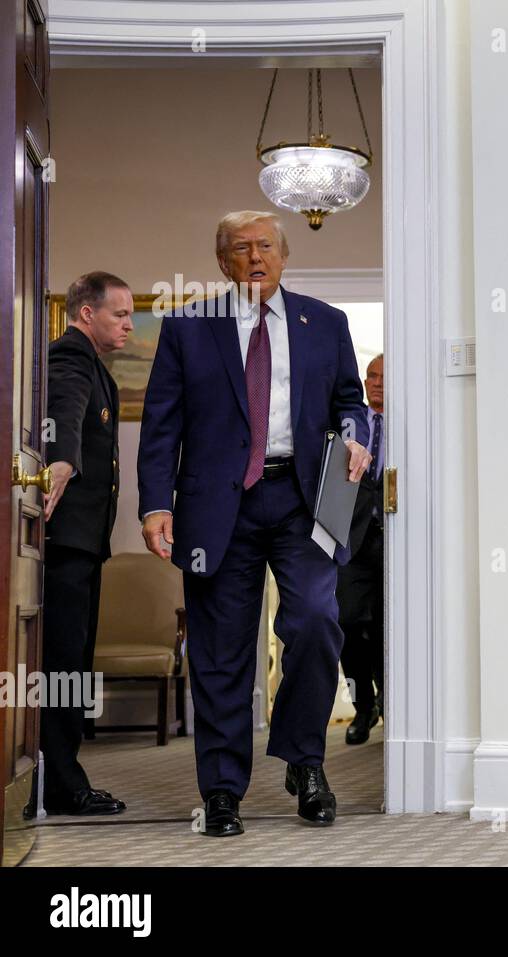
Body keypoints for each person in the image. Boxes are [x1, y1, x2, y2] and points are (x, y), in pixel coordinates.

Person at [138, 210, 371, 837]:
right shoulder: (188, 327)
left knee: (318, 623)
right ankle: (220, 791)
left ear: (285, 255)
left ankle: (305, 762)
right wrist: (154, 504)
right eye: (240, 248)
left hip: (303, 499)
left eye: (266, 245)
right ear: (221, 262)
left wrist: (356, 436)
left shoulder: (326, 322)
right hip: (218, 506)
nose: (255, 256)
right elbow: (162, 425)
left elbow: (352, 399)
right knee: (220, 652)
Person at [35, 271, 133, 816]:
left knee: (69, 663)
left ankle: (59, 776)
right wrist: (62, 461)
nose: (127, 324)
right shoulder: (71, 356)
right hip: (66, 544)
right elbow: (62, 412)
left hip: (81, 543)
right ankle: (63, 784)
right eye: (119, 314)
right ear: (86, 313)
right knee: (63, 665)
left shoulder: (94, 364)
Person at [338, 354, 384, 745]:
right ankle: (363, 703)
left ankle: (390, 700)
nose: (377, 382)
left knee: (390, 625)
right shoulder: (350, 425)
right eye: (371, 376)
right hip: (350, 538)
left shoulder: (414, 422)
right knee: (348, 621)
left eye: (385, 377)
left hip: (395, 538)